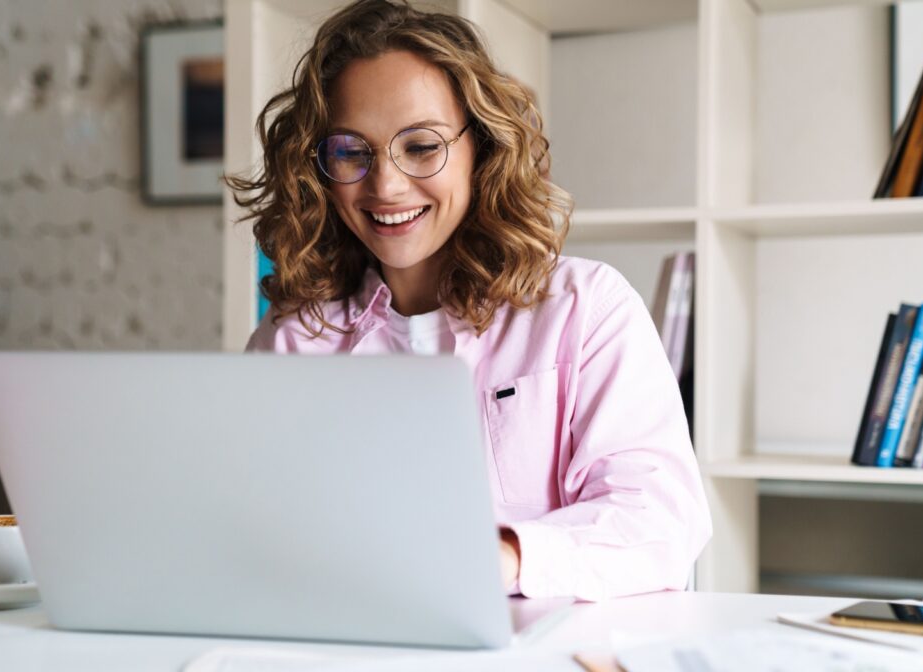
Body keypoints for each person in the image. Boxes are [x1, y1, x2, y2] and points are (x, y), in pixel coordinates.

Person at [230, 0, 712, 601]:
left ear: (480, 147)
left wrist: (504, 556)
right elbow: (248, 523)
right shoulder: (294, 336)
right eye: (352, 152)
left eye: (422, 147)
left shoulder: (586, 309)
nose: (386, 186)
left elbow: (661, 524)